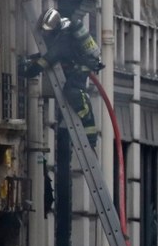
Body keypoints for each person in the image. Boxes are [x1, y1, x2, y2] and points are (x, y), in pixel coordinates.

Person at [22, 8, 104, 146]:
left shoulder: (64, 37)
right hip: (77, 67)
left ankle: (90, 136)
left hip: (79, 69)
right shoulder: (63, 31)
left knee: (73, 93)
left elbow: (50, 57)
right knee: (73, 94)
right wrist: (29, 60)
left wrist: (30, 71)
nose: (45, 34)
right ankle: (88, 134)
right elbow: (47, 54)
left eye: (47, 31)